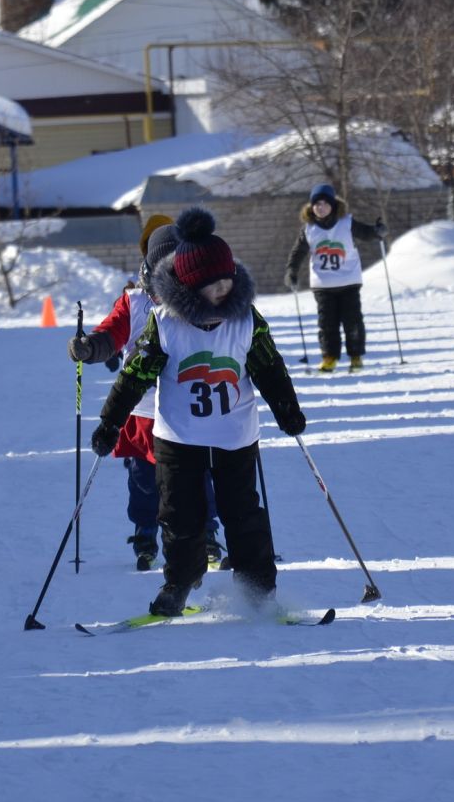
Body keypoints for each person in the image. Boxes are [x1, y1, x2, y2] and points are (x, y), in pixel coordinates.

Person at [94, 206, 306, 617]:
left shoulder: (246, 319)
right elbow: (135, 375)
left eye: (228, 280)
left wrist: (287, 409)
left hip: (235, 436)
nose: (224, 289)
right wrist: (110, 422)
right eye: (214, 284)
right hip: (178, 437)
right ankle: (179, 583)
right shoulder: (166, 323)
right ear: (190, 285)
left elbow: (268, 365)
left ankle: (257, 589)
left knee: (244, 515)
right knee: (180, 517)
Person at [67, 216, 225, 570]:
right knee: (144, 480)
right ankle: (144, 533)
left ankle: (207, 533)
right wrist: (89, 347)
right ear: (150, 266)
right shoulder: (134, 302)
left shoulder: (198, 300)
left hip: (187, 409)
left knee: (199, 477)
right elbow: (111, 335)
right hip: (141, 412)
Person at [284, 183, 384, 373]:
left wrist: (377, 231)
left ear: (333, 205)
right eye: (316, 204)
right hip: (323, 285)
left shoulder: (346, 222)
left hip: (348, 281)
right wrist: (292, 271)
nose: (320, 207)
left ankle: (355, 357)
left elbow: (365, 233)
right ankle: (329, 358)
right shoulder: (309, 229)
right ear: (311, 207)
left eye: (324, 204)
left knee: (352, 321)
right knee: (326, 323)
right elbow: (298, 253)